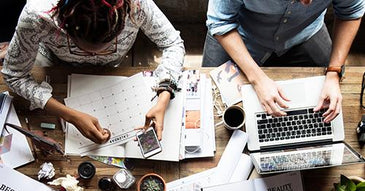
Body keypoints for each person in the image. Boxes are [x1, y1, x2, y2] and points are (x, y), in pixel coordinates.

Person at [1, 0, 185, 143]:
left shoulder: (137, 4)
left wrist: (164, 95)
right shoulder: (36, 15)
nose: (92, 54)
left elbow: (172, 44)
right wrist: (69, 115)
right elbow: (13, 74)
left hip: (113, 69)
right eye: (84, 47)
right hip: (54, 64)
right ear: (63, 27)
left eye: (107, 44)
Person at [202, 0, 364, 123]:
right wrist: (258, 80)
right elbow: (221, 21)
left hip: (303, 33)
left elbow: (351, 12)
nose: (308, 3)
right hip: (237, 34)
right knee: (208, 106)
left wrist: (334, 72)